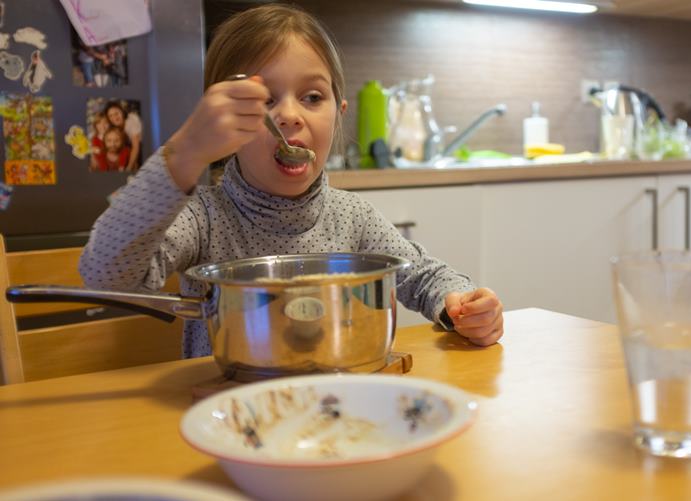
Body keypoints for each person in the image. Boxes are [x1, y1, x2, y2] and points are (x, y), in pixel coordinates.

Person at [79, 3, 503, 359]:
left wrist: (462, 305)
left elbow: (424, 276)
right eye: (264, 101)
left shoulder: (352, 217)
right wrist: (185, 152)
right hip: (232, 412)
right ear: (224, 122)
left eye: (312, 97)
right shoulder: (203, 218)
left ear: (338, 112)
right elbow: (104, 275)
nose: (289, 116)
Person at [105, 101, 142, 171]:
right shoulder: (114, 126)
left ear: (122, 111)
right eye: (110, 116)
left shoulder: (131, 121)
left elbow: (136, 147)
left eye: (116, 113)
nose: (114, 117)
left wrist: (129, 167)